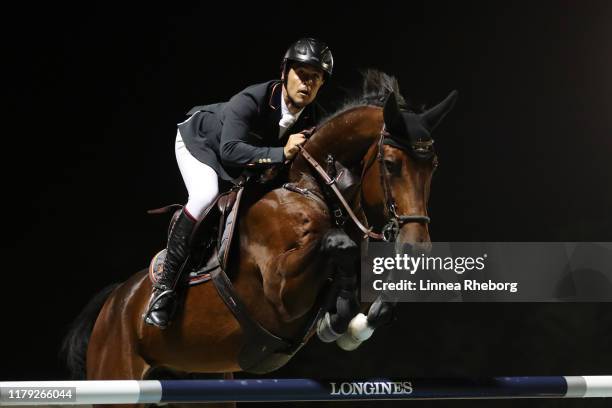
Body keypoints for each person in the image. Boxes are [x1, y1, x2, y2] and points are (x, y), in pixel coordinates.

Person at [145, 38, 333, 329]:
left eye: (316, 79)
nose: (307, 84)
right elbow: (230, 151)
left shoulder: (311, 117)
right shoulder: (252, 99)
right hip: (201, 142)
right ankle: (164, 288)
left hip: (245, 161)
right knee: (205, 195)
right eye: (302, 75)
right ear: (285, 73)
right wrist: (281, 153)